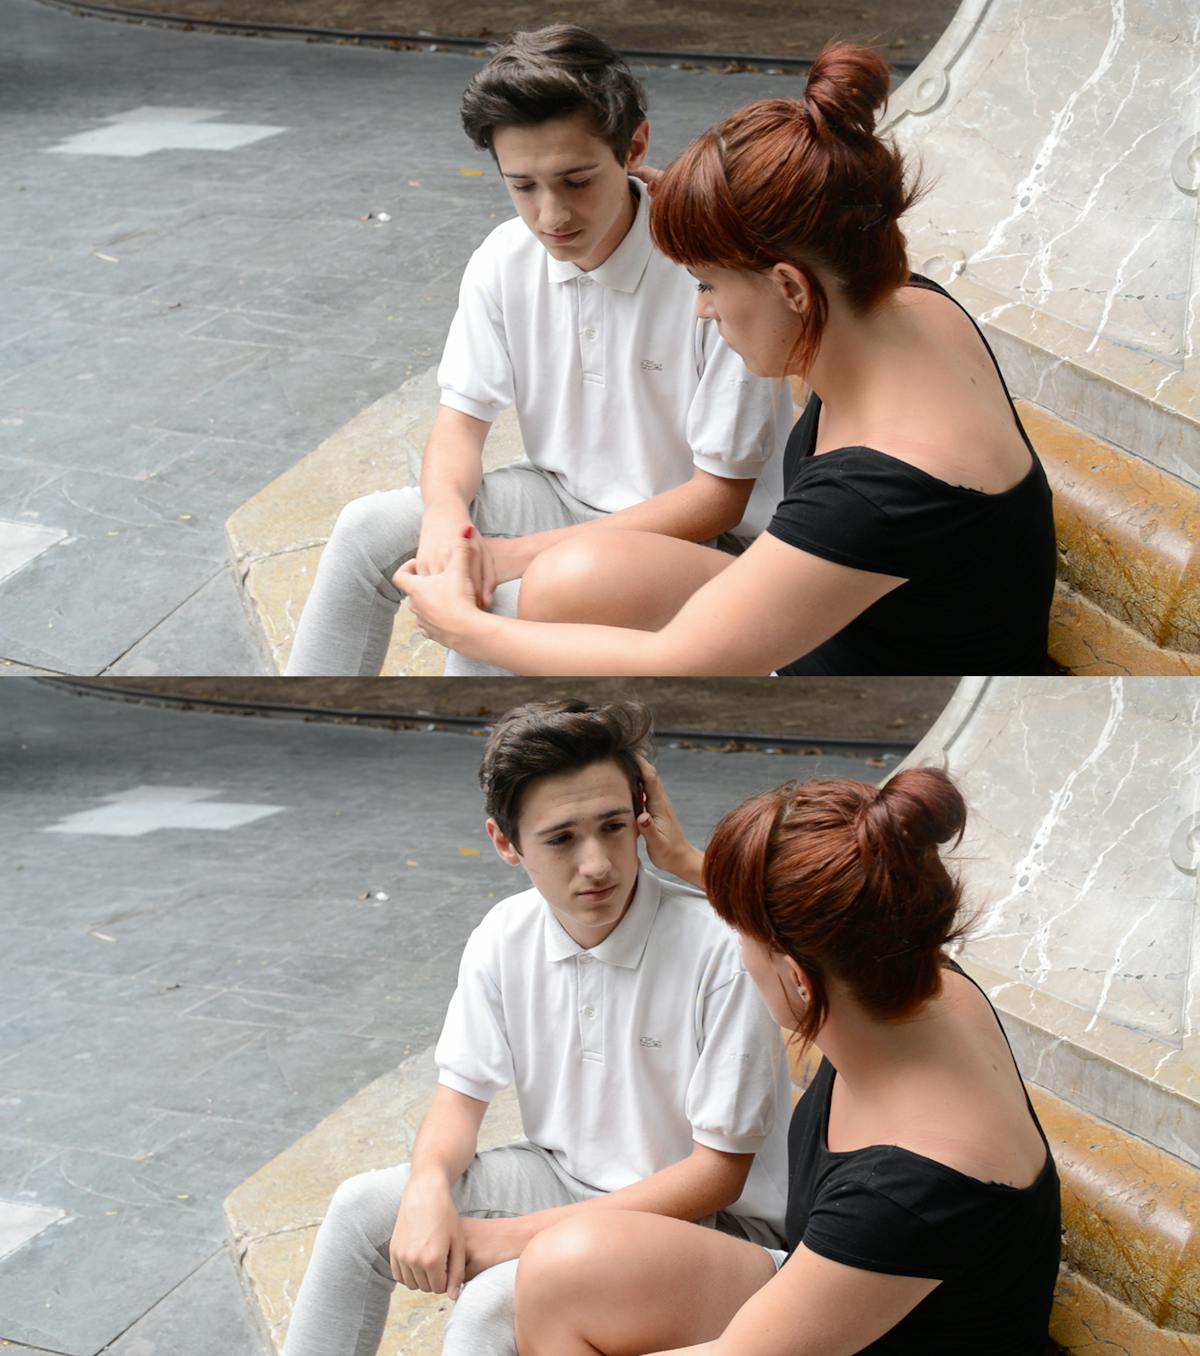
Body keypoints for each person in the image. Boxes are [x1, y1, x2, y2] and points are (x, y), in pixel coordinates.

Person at [394, 43, 1058, 676]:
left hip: (842, 669)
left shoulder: (878, 491)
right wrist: (700, 205)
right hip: (857, 611)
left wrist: (463, 628)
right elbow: (823, 225)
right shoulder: (905, 300)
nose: (702, 309)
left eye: (708, 285)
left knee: (537, 602)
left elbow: (678, 661)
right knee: (571, 577)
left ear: (791, 287)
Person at [281, 700, 789, 1356]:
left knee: (496, 1302)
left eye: (613, 827)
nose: (597, 863)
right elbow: (458, 1099)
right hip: (565, 1178)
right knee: (361, 1212)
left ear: (641, 817)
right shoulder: (504, 934)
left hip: (710, 1227)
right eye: (561, 839)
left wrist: (516, 1238)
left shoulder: (719, 949)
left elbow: (717, 1178)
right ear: (505, 843)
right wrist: (428, 1187)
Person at [285, 25, 791, 676]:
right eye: (522, 186)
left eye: (576, 181)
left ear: (634, 146)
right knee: (367, 530)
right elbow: (459, 426)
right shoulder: (504, 258)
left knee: (493, 609)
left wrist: (509, 558)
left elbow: (717, 501)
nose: (551, 216)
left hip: (700, 540)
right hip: (559, 495)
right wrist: (446, 525)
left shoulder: (708, 268)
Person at [512, 761, 1062, 1355]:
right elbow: (843, 918)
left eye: (741, 937)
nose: (738, 952)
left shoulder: (902, 1193)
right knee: (561, 1269)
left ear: (799, 979)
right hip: (849, 1296)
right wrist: (687, 861)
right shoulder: (917, 978)